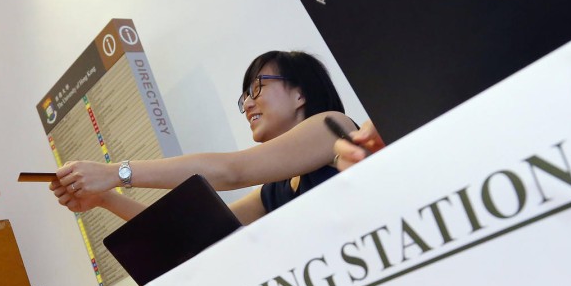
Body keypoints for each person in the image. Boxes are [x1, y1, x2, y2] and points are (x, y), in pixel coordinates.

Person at [51, 50, 355, 225]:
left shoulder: (333, 126)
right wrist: (104, 198)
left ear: (301, 93)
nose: (247, 103)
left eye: (257, 88)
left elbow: (232, 171)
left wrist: (114, 173)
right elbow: (187, 233)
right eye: (244, 96)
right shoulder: (273, 190)